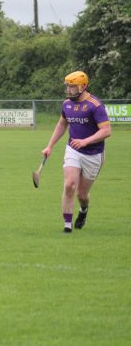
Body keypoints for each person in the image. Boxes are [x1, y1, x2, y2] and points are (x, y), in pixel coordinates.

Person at [41, 71, 111, 233]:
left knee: (82, 195)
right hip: (73, 150)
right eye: (67, 86)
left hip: (93, 154)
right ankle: (67, 225)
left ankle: (83, 210)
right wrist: (49, 146)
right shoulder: (67, 104)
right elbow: (61, 125)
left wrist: (86, 141)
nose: (68, 90)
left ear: (83, 86)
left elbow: (106, 131)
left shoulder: (95, 105)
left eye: (72, 86)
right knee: (69, 185)